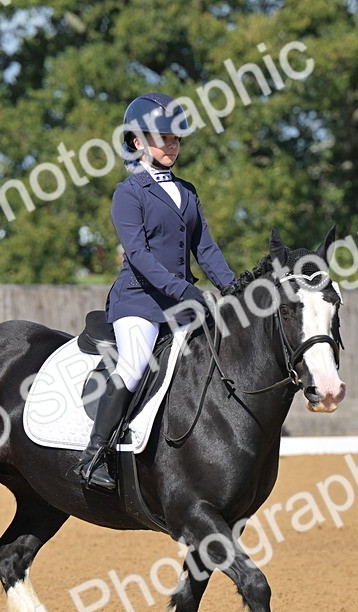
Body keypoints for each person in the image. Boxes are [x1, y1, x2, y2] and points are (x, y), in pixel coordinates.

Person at [71, 92, 236, 492]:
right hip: (139, 301)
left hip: (180, 302)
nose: (172, 146)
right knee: (134, 364)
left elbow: (206, 249)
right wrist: (185, 290)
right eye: (163, 139)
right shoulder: (129, 193)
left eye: (176, 140)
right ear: (138, 142)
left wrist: (235, 287)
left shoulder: (189, 192)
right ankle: (94, 456)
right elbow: (140, 257)